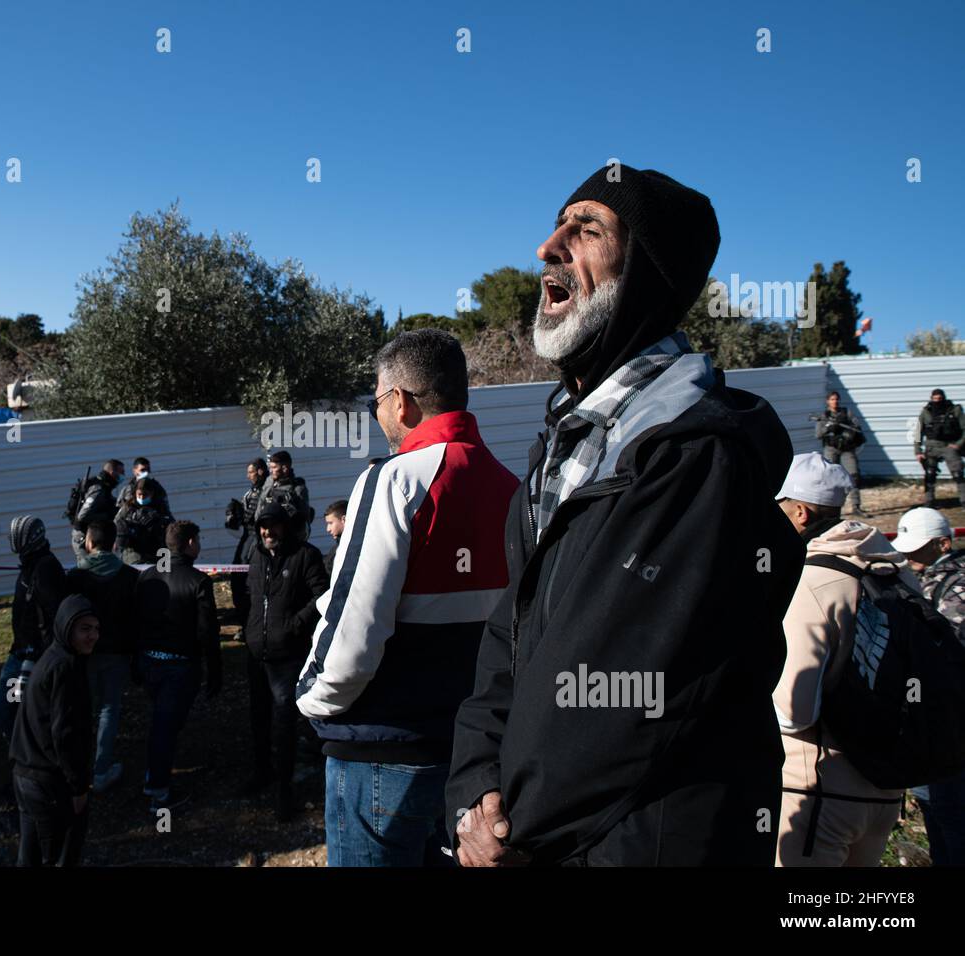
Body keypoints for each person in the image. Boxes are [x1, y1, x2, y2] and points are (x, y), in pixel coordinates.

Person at [447, 165, 804, 867]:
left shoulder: (695, 452)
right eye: (558, 224)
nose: (550, 246)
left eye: (588, 229)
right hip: (544, 830)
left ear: (647, 273)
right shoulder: (562, 447)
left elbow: (618, 691)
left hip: (647, 839)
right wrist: (474, 790)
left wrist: (513, 825)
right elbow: (508, 639)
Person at [296, 328, 518, 867]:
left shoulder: (393, 479)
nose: (377, 416)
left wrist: (311, 699)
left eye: (376, 402)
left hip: (382, 749)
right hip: (476, 756)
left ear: (400, 401)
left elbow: (355, 624)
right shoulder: (516, 487)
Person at [772, 453, 911, 866]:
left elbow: (794, 712)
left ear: (799, 511)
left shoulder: (812, 579)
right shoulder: (893, 570)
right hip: (885, 788)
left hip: (817, 793)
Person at [243, 504, 329, 821]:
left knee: (284, 724)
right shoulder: (256, 555)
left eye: (274, 526)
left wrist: (295, 624)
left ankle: (284, 791)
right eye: (263, 527)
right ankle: (261, 771)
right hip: (257, 654)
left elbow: (322, 596)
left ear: (285, 527)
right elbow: (249, 592)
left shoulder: (305, 555)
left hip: (287, 657)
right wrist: (248, 626)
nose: (268, 532)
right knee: (258, 718)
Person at [892, 506, 965, 865]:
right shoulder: (916, 580)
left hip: (950, 721)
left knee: (951, 818)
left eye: (918, 549)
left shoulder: (958, 588)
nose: (909, 556)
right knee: (938, 811)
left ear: (942, 543)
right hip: (931, 721)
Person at [134, 521, 221, 813]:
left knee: (163, 724)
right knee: (164, 729)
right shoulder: (198, 581)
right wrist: (214, 669)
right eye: (198, 539)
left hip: (150, 663)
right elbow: (207, 632)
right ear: (190, 543)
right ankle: (158, 790)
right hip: (179, 667)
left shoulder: (147, 577)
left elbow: (137, 622)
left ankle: (158, 774)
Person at [9, 594, 99, 866]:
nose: (93, 636)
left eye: (96, 629)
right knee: (59, 855)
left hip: (26, 774)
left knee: (31, 855)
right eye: (85, 629)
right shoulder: (65, 668)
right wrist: (79, 787)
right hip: (47, 782)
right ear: (66, 627)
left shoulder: (53, 656)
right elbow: (65, 734)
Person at [66, 517, 139, 793]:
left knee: (82, 709)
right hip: (117, 652)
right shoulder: (130, 577)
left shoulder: (75, 577)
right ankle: (101, 767)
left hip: (83, 653)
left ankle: (77, 768)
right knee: (110, 708)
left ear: (88, 542)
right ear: (114, 543)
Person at [0, 516, 66, 743]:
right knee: (8, 707)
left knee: (12, 707)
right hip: (21, 650)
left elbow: (53, 613)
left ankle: (23, 754)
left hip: (31, 654)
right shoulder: (30, 564)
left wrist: (39, 652)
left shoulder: (44, 568)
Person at [225, 458, 268, 626]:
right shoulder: (250, 492)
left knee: (250, 580)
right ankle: (242, 615)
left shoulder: (267, 491)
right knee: (238, 577)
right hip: (247, 539)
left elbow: (256, 518)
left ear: (260, 471)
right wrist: (234, 513)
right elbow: (241, 521)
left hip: (258, 541)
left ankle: (250, 618)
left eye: (251, 472)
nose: (248, 476)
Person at [814, 391, 865, 515]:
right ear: (827, 401)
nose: (834, 401)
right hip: (831, 449)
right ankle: (831, 508)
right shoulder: (824, 416)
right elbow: (818, 434)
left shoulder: (846, 413)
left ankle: (856, 506)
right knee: (831, 478)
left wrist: (848, 432)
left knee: (853, 476)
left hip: (847, 449)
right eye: (832, 399)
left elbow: (857, 428)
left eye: (836, 399)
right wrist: (829, 428)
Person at [915, 389, 965, 504]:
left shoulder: (954, 410)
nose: (937, 401)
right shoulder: (926, 411)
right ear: (931, 399)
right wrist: (918, 451)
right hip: (932, 446)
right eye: (935, 399)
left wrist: (958, 444)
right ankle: (929, 500)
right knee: (929, 473)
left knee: (957, 473)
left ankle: (963, 499)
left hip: (949, 445)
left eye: (940, 399)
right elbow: (918, 432)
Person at [70, 459, 124, 560]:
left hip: (92, 536)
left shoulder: (105, 487)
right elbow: (83, 516)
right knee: (89, 569)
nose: (123, 476)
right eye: (121, 473)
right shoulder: (98, 488)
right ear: (112, 473)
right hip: (84, 537)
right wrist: (107, 515)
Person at [256, 450, 313, 542]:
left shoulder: (298, 489)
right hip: (266, 536)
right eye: (270, 467)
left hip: (288, 538)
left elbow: (304, 518)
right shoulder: (269, 482)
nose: (271, 471)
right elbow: (260, 505)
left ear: (285, 468)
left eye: (274, 467)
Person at [115, 478, 172, 566]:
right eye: (139, 494)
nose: (141, 497)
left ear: (152, 494)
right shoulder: (127, 508)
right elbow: (116, 525)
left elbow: (171, 527)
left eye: (145, 494)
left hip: (157, 554)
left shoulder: (160, 508)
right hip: (133, 555)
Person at [322, 500, 347, 577]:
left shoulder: (350, 549)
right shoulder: (336, 548)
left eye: (330, 523)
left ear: (344, 520)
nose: (328, 529)